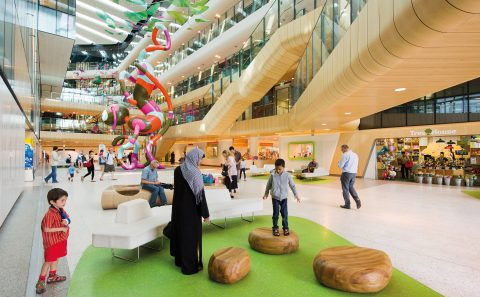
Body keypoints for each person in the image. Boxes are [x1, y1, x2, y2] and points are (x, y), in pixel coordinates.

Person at [170, 148, 210, 275]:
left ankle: (179, 261)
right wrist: (206, 214)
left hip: (178, 209)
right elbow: (200, 196)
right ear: (194, 158)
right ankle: (189, 267)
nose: (200, 162)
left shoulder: (177, 170)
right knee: (190, 238)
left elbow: (177, 190)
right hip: (191, 212)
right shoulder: (195, 173)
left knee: (180, 234)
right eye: (199, 159)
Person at [35, 188, 70, 294]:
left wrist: (66, 221)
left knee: (56, 257)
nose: (65, 202)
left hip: (59, 240)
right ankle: (40, 281)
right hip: (52, 242)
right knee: (48, 260)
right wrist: (62, 228)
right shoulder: (50, 214)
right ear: (52, 202)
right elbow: (46, 229)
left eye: (65, 200)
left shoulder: (60, 210)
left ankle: (52, 276)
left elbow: (68, 218)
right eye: (62, 200)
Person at [263, 159, 300, 236]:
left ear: (284, 167)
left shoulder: (287, 175)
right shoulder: (272, 175)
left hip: (284, 198)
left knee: (284, 214)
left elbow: (292, 185)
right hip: (275, 197)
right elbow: (268, 185)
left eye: (280, 169)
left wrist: (296, 195)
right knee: (275, 214)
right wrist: (266, 193)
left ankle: (285, 227)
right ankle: (275, 228)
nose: (278, 171)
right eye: (276, 169)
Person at [338, 144, 361, 210]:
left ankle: (347, 205)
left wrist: (339, 163)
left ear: (344, 148)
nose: (341, 151)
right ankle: (357, 200)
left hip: (346, 174)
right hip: (353, 174)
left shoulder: (345, 155)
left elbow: (340, 165)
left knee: (345, 189)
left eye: (342, 149)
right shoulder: (355, 154)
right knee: (351, 187)